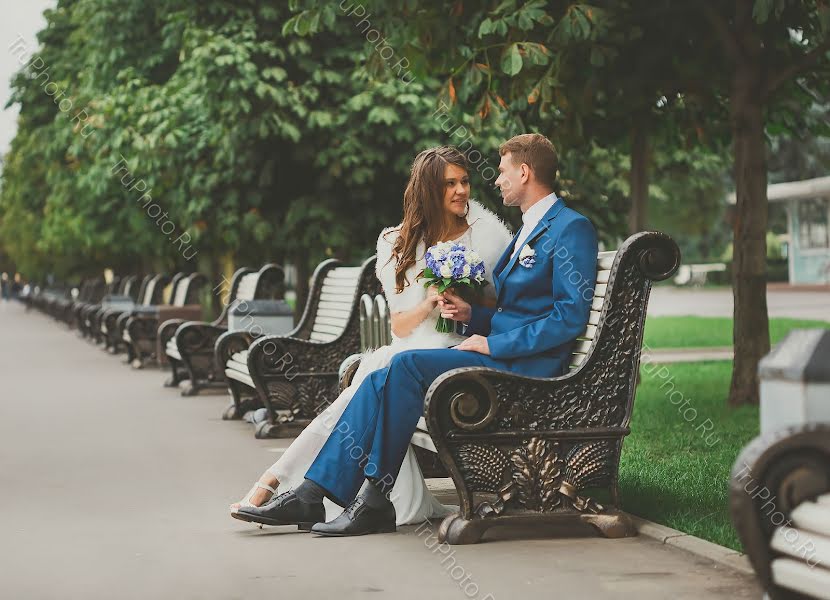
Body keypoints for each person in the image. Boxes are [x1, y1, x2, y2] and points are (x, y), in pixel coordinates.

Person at [237, 132, 600, 537]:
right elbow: (513, 311)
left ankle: (371, 500)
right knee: (380, 376)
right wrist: (470, 316)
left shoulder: (570, 228)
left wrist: (494, 342)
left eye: (502, 172)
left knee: (403, 365)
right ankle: (312, 493)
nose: (495, 181)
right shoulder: (527, 230)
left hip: (529, 368)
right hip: (500, 353)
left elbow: (568, 318)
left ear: (525, 171)